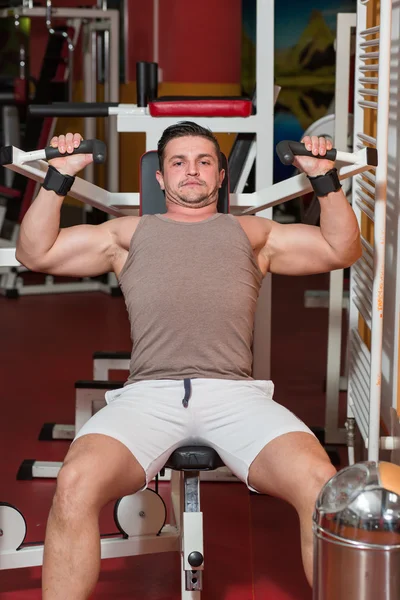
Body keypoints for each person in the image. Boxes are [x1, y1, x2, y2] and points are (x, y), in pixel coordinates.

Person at [16, 121, 362, 599]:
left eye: (204, 162)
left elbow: (341, 249)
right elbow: (35, 253)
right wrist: (57, 179)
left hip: (235, 395)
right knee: (74, 483)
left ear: (221, 176)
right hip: (148, 397)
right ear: (160, 178)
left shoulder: (252, 233)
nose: (191, 171)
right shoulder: (127, 234)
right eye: (178, 162)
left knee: (323, 486)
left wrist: (324, 179)